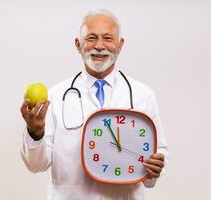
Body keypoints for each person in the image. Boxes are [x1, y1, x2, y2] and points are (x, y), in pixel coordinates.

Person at [20, 9, 168, 200]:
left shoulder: (143, 95)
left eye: (108, 38)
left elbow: (158, 153)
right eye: (91, 38)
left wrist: (155, 168)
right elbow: (36, 165)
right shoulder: (56, 95)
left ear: (120, 44)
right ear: (78, 44)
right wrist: (35, 131)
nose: (99, 46)